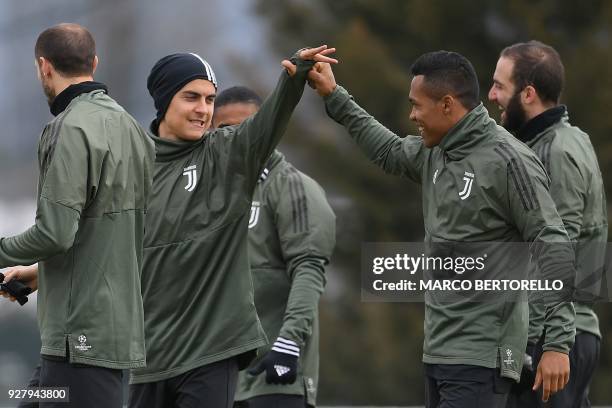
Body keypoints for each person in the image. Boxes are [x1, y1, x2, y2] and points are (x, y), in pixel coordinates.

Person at [302, 52, 577, 407]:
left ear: (447, 105)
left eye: (416, 106)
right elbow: (388, 150)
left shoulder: (509, 161)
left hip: (482, 358)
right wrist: (333, 96)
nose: (412, 115)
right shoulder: (438, 152)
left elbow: (552, 243)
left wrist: (557, 343)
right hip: (438, 354)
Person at [127, 47, 337, 408]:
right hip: (149, 358)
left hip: (216, 355)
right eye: (191, 97)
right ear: (164, 101)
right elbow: (108, 248)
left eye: (209, 99)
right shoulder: (132, 167)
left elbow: (268, 123)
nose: (202, 109)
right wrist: (44, 271)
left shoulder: (225, 156)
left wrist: (294, 78)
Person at [0, 23, 155, 407]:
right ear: (95, 63)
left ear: (44, 67)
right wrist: (39, 274)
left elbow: (55, 234)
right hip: (98, 337)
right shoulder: (134, 129)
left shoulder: (66, 127)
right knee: (27, 399)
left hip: (80, 341)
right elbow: (109, 232)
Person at [489, 40, 607, 408]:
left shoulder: (555, 153)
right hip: (560, 335)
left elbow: (558, 254)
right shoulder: (561, 140)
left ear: (527, 94)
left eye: (499, 86)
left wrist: (536, 346)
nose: (490, 94)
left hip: (554, 341)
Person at [211, 86, 336, 408]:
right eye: (225, 129)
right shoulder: (211, 194)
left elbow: (309, 271)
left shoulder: (294, 187)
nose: (238, 136)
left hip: (276, 377)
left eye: (249, 126)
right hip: (218, 376)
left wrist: (289, 342)